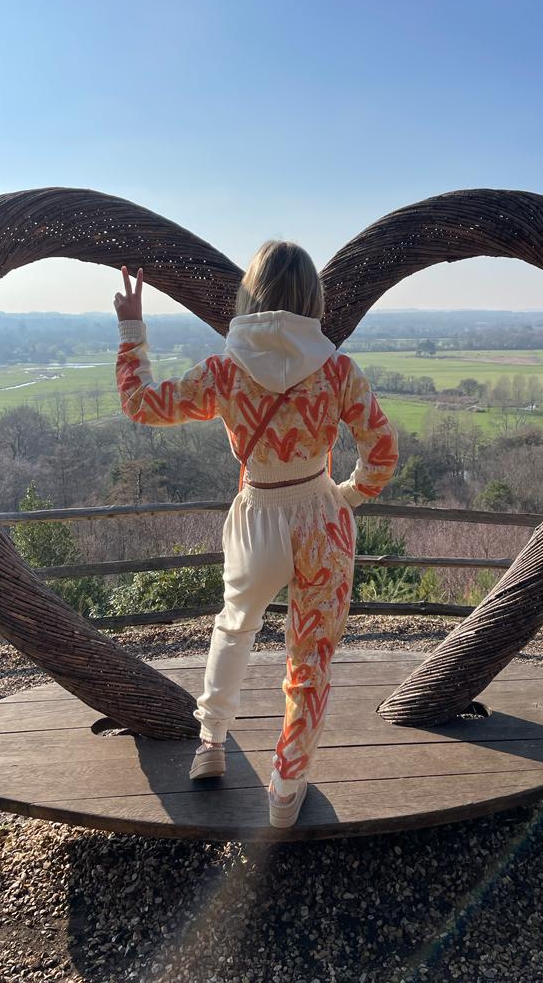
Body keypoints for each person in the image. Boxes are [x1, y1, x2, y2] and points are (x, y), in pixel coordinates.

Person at [114, 241, 398, 827]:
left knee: (235, 626)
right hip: (320, 519)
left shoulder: (224, 370)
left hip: (257, 514)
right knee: (310, 657)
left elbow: (140, 404)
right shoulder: (339, 370)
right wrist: (345, 495)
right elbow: (382, 453)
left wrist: (132, 332)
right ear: (313, 300)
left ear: (250, 293)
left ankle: (212, 743)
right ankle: (286, 787)